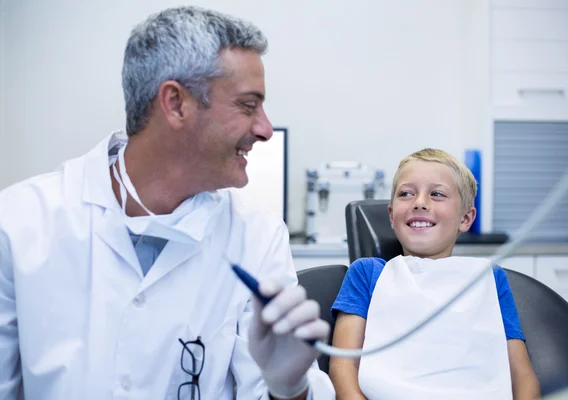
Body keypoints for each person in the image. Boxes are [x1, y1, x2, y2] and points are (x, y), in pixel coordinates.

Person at [0, 6, 335, 400]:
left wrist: (288, 386)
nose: (264, 129)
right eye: (248, 105)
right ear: (176, 103)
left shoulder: (257, 235)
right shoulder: (20, 222)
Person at [329, 148, 540, 399]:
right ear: (391, 215)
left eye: (437, 194)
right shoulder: (367, 274)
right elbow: (342, 366)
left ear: (466, 218)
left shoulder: (488, 278)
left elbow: (522, 375)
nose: (419, 202)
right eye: (406, 193)